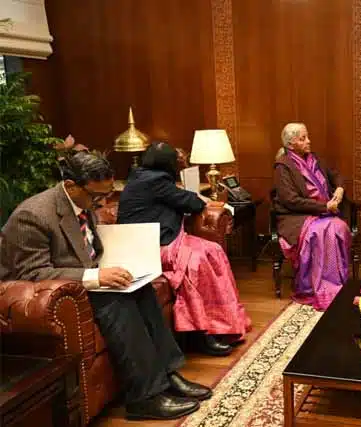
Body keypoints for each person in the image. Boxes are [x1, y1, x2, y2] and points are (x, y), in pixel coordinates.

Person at [0, 151, 210, 420]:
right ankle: (144, 397)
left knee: (142, 289)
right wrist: (95, 277)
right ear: (71, 186)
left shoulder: (82, 203)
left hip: (85, 279)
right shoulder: (33, 215)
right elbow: (32, 273)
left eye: (107, 195)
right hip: (51, 293)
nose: (102, 203)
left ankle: (168, 375)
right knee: (117, 300)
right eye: (97, 197)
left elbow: (90, 248)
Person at [117, 141, 251, 356]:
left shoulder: (142, 176)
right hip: (149, 248)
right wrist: (197, 197)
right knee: (196, 263)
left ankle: (223, 325)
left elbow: (179, 198)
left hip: (158, 240)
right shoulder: (155, 180)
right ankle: (202, 334)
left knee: (213, 251)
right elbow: (193, 203)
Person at [273, 122, 351, 310]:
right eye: (303, 138)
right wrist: (324, 206)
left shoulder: (314, 158)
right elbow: (291, 201)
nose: (309, 141)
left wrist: (339, 188)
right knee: (323, 230)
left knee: (338, 227)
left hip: (326, 212)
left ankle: (338, 282)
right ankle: (314, 287)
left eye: (307, 136)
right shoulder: (283, 167)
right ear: (291, 144)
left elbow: (336, 175)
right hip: (297, 216)